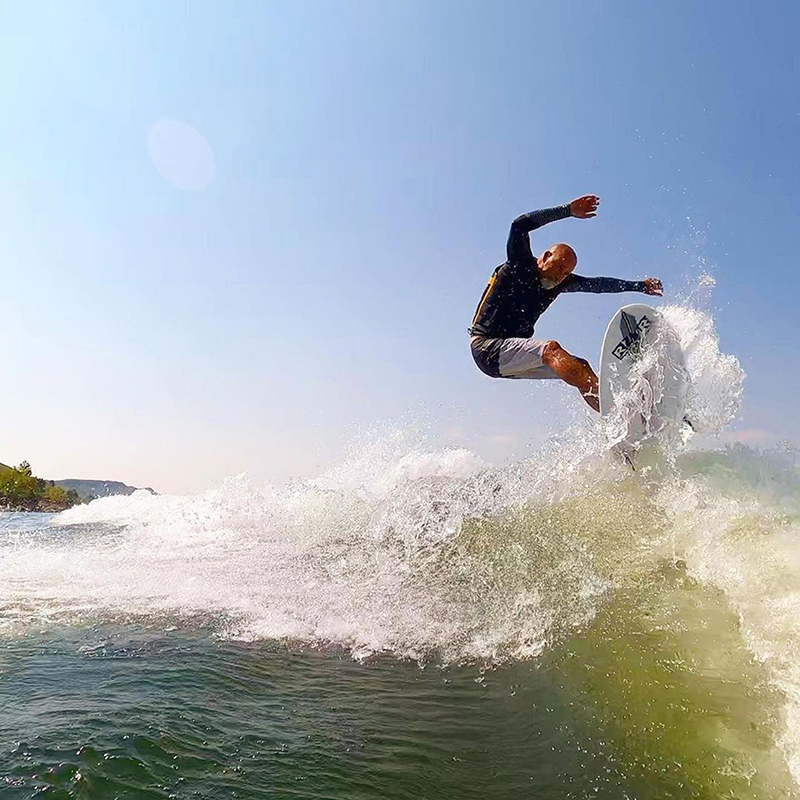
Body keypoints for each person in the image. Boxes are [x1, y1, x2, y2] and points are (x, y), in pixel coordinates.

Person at [469, 195, 663, 411]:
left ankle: (618, 422)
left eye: (566, 272)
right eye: (559, 266)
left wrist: (639, 286)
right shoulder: (520, 264)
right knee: (551, 349)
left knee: (581, 367)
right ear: (545, 256)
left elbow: (598, 285)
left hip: (509, 357)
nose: (561, 275)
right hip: (487, 347)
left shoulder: (559, 283)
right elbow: (518, 225)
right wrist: (567, 210)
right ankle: (618, 411)